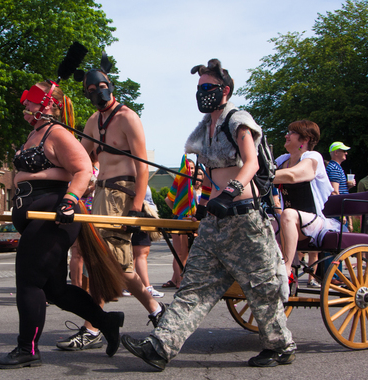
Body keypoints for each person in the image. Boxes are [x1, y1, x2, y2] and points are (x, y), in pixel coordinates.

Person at [121, 59, 295, 370]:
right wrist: (203, 208)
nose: (202, 93)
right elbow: (208, 177)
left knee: (261, 286)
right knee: (194, 286)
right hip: (215, 223)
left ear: (225, 90)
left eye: (207, 87)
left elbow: (251, 162)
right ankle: (161, 347)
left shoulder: (238, 120)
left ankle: (280, 345)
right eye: (199, 88)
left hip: (244, 218)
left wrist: (230, 192)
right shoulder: (204, 130)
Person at [0, 81, 124, 369]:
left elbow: (83, 169)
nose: (26, 106)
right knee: (54, 290)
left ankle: (27, 348)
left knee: (28, 281)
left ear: (49, 104)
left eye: (32, 102)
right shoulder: (34, 134)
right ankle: (106, 321)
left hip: (54, 215)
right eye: (27, 102)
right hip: (34, 215)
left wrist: (69, 201)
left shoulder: (58, 134)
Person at [61, 61, 164, 352]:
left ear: (111, 86)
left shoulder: (129, 118)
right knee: (101, 261)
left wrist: (137, 203)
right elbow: (82, 159)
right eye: (91, 90)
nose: (98, 93)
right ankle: (111, 321)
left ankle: (145, 314)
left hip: (123, 193)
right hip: (101, 195)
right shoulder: (93, 121)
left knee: (117, 262)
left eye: (102, 87)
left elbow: (143, 165)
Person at [274, 120, 341, 288]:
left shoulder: (313, 157)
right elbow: (261, 173)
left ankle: (287, 270)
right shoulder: (282, 160)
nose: (286, 136)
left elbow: (293, 175)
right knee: (261, 220)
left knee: (287, 213)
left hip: (315, 222)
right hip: (292, 222)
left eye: (291, 133)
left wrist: (263, 175)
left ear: (305, 139)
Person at [163, 158, 196, 289]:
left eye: (193, 168)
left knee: (185, 253)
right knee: (179, 253)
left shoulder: (194, 184)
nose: (191, 170)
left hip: (192, 222)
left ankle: (175, 278)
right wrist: (178, 212)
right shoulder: (181, 182)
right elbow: (167, 199)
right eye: (189, 167)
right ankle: (179, 281)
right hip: (180, 221)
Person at [133, 186, 164, 298]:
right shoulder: (137, 173)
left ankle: (128, 286)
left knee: (134, 255)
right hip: (139, 214)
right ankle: (146, 287)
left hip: (138, 214)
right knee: (141, 253)